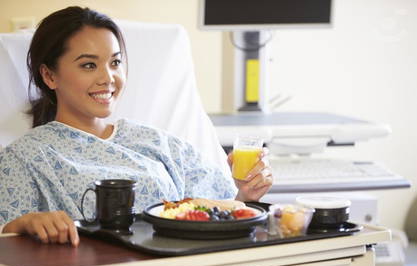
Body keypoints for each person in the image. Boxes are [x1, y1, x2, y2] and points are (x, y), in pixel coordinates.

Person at [0, 7, 273, 247]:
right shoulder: (25, 158)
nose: (108, 78)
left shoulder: (158, 143)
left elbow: (223, 210)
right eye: (88, 65)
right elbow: (8, 241)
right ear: (49, 75)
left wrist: (245, 194)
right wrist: (23, 225)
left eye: (115, 62)